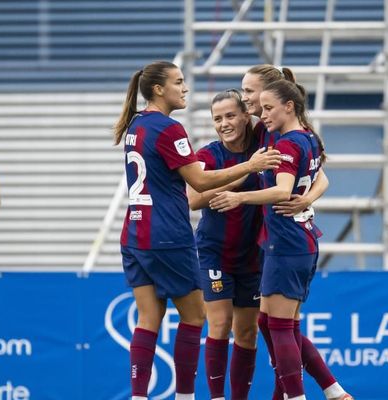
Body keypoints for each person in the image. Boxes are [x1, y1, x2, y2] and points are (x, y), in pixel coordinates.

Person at [113, 60, 282, 400]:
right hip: (168, 236)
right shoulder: (171, 129)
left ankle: (137, 396)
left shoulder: (136, 124)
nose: (185, 87)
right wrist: (250, 166)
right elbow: (199, 182)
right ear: (159, 89)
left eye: (231, 115)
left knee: (148, 318)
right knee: (197, 316)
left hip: (134, 234)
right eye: (178, 82)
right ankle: (188, 396)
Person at [209, 74, 351, 400]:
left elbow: (284, 189)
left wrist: (239, 197)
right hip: (289, 239)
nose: (249, 100)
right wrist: (307, 197)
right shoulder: (305, 137)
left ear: (282, 102)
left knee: (280, 327)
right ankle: (331, 391)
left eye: (252, 93)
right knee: (268, 323)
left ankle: (314, 394)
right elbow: (317, 177)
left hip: (287, 241)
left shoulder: (283, 140)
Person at [188, 89, 262, 400]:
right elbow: (194, 200)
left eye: (230, 115)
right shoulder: (208, 155)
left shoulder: (263, 147)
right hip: (214, 253)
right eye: (217, 119)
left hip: (253, 257)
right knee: (219, 324)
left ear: (247, 116)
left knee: (247, 333)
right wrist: (244, 173)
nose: (224, 123)